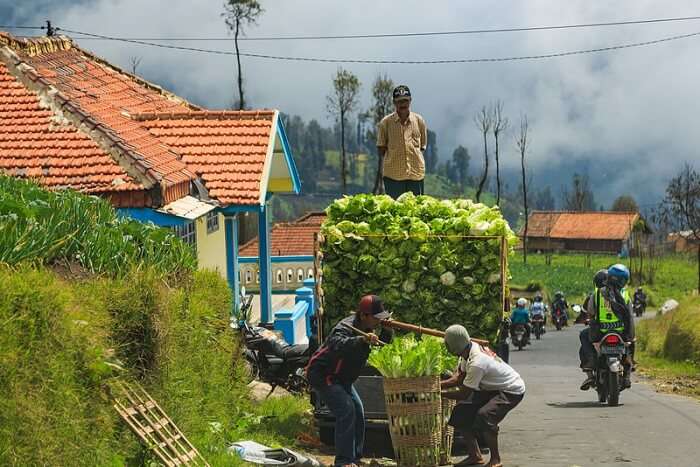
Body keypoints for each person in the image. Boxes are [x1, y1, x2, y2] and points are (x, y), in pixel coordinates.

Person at [306, 295, 390, 467]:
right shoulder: (345, 326)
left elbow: (383, 345)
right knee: (346, 410)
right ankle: (343, 462)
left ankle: (355, 458)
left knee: (358, 411)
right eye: (377, 318)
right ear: (364, 316)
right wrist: (361, 339)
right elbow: (337, 344)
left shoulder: (369, 327)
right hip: (324, 374)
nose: (378, 322)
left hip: (343, 378)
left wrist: (387, 330)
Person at [441, 325, 525, 467]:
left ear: (454, 345)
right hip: (491, 388)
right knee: (460, 413)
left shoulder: (477, 362)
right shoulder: (468, 350)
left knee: (485, 416)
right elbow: (458, 378)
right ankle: (475, 456)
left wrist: (440, 394)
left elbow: (463, 393)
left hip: (511, 390)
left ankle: (496, 460)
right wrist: (437, 385)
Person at [579, 265, 634, 390]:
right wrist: (629, 336)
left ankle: (590, 362)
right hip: (621, 332)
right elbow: (630, 315)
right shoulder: (625, 295)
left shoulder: (597, 294)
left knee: (583, 335)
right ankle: (628, 372)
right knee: (631, 344)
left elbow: (591, 312)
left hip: (600, 332)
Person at [376, 85, 428, 199]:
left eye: (405, 101)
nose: (403, 104)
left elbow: (422, 146)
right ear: (394, 103)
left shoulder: (419, 121)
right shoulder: (386, 123)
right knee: (395, 211)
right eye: (399, 101)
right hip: (393, 178)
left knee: (416, 211)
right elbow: (381, 148)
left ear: (410, 101)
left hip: (416, 175)